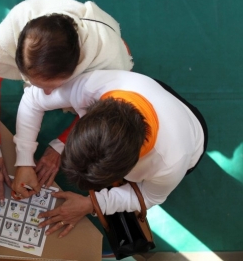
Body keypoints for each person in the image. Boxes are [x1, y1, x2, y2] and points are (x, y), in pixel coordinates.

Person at [0, 0, 134, 202]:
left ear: (75, 70)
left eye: (54, 87)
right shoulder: (13, 28)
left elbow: (98, 111)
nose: (46, 96)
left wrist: (59, 147)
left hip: (107, 46)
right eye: (35, 84)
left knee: (106, 99)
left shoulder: (109, 64)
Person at [12, 70, 208, 238]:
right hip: (147, 89)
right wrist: (24, 161)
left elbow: (150, 196)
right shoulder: (91, 87)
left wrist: (92, 204)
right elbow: (32, 99)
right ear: (87, 113)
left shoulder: (171, 162)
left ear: (131, 166)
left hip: (192, 129)